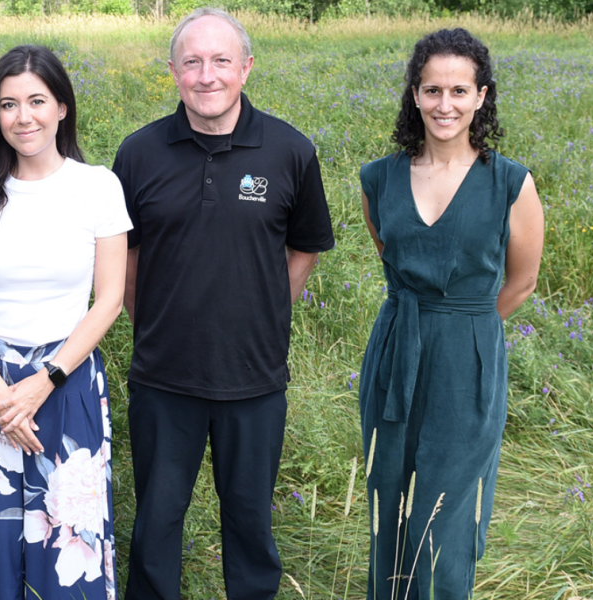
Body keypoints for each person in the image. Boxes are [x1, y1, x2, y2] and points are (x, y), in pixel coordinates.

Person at [112, 8, 335, 600]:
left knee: (251, 524)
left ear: (246, 68)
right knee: (156, 524)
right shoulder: (138, 154)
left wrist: (263, 315)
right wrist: (155, 322)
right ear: (173, 71)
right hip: (163, 378)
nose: (206, 76)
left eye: (220, 61)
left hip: (255, 379)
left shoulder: (290, 150)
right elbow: (123, 261)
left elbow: (306, 247)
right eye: (192, 62)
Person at [358, 28, 544, 599]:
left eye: (459, 91)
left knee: (444, 512)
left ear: (481, 96)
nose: (445, 105)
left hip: (468, 359)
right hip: (396, 351)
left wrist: (468, 328)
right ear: (414, 94)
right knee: (390, 501)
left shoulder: (510, 182)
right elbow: (391, 253)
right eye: (433, 90)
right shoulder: (378, 178)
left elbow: (523, 280)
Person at [0, 45, 130, 600]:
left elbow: (110, 299)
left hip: (66, 380)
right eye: (8, 105)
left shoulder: (97, 186)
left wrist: (44, 381)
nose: (22, 117)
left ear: (62, 108)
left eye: (36, 101)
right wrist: (3, 396)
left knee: (66, 537)